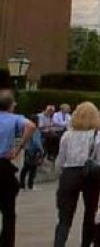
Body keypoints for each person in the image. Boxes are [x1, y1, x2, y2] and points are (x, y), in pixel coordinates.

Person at [54, 102, 100, 247]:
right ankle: (86, 243)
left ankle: (59, 243)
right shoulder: (99, 135)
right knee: (90, 212)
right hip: (90, 174)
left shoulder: (67, 135)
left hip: (69, 173)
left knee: (64, 217)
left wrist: (61, 175)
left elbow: (60, 159)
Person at [0, 91, 36, 247]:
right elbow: (31, 126)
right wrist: (18, 147)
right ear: (10, 105)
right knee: (8, 212)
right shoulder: (15, 118)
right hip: (3, 165)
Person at [18, 126, 43, 191]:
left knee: (25, 168)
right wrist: (41, 150)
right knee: (33, 169)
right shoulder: (35, 130)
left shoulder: (26, 129)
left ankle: (22, 185)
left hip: (27, 149)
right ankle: (30, 185)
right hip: (34, 150)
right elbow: (36, 141)